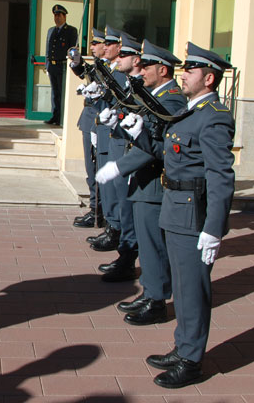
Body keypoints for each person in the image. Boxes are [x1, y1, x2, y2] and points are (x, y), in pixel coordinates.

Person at [127, 41, 235, 389]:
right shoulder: (190, 111)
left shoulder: (214, 118)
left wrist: (214, 229)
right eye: (185, 68)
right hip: (174, 208)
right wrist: (139, 135)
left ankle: (191, 360)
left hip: (193, 214)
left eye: (192, 69)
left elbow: (221, 176)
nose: (184, 74)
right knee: (184, 290)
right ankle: (183, 346)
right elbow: (167, 154)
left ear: (210, 79)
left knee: (192, 289)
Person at [95, 40, 186, 324]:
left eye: (147, 66)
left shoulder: (171, 98)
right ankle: (151, 293)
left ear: (162, 69)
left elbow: (153, 144)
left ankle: (156, 300)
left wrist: (118, 167)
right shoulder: (154, 93)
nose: (142, 70)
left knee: (153, 245)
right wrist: (117, 125)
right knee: (147, 245)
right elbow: (140, 130)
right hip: (144, 182)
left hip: (153, 182)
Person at [90, 27, 141, 284]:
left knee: (128, 207)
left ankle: (127, 257)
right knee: (120, 200)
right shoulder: (127, 80)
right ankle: (125, 253)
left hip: (132, 153)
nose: (117, 58)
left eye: (123, 54)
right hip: (121, 144)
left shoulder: (138, 84)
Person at [69, 28, 106, 229]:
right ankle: (96, 208)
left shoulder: (111, 67)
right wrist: (76, 62)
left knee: (97, 168)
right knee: (90, 169)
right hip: (90, 117)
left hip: (99, 119)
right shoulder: (100, 65)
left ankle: (99, 211)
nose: (91, 47)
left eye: (96, 43)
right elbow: (87, 73)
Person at [44, 4, 78, 125]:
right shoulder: (51, 30)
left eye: (59, 15)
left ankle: (62, 117)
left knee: (62, 92)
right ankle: (55, 115)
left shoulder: (71, 31)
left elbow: (73, 49)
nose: (57, 18)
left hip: (62, 66)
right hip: (52, 66)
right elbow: (48, 49)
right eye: (55, 15)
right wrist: (46, 65)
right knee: (54, 93)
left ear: (64, 16)